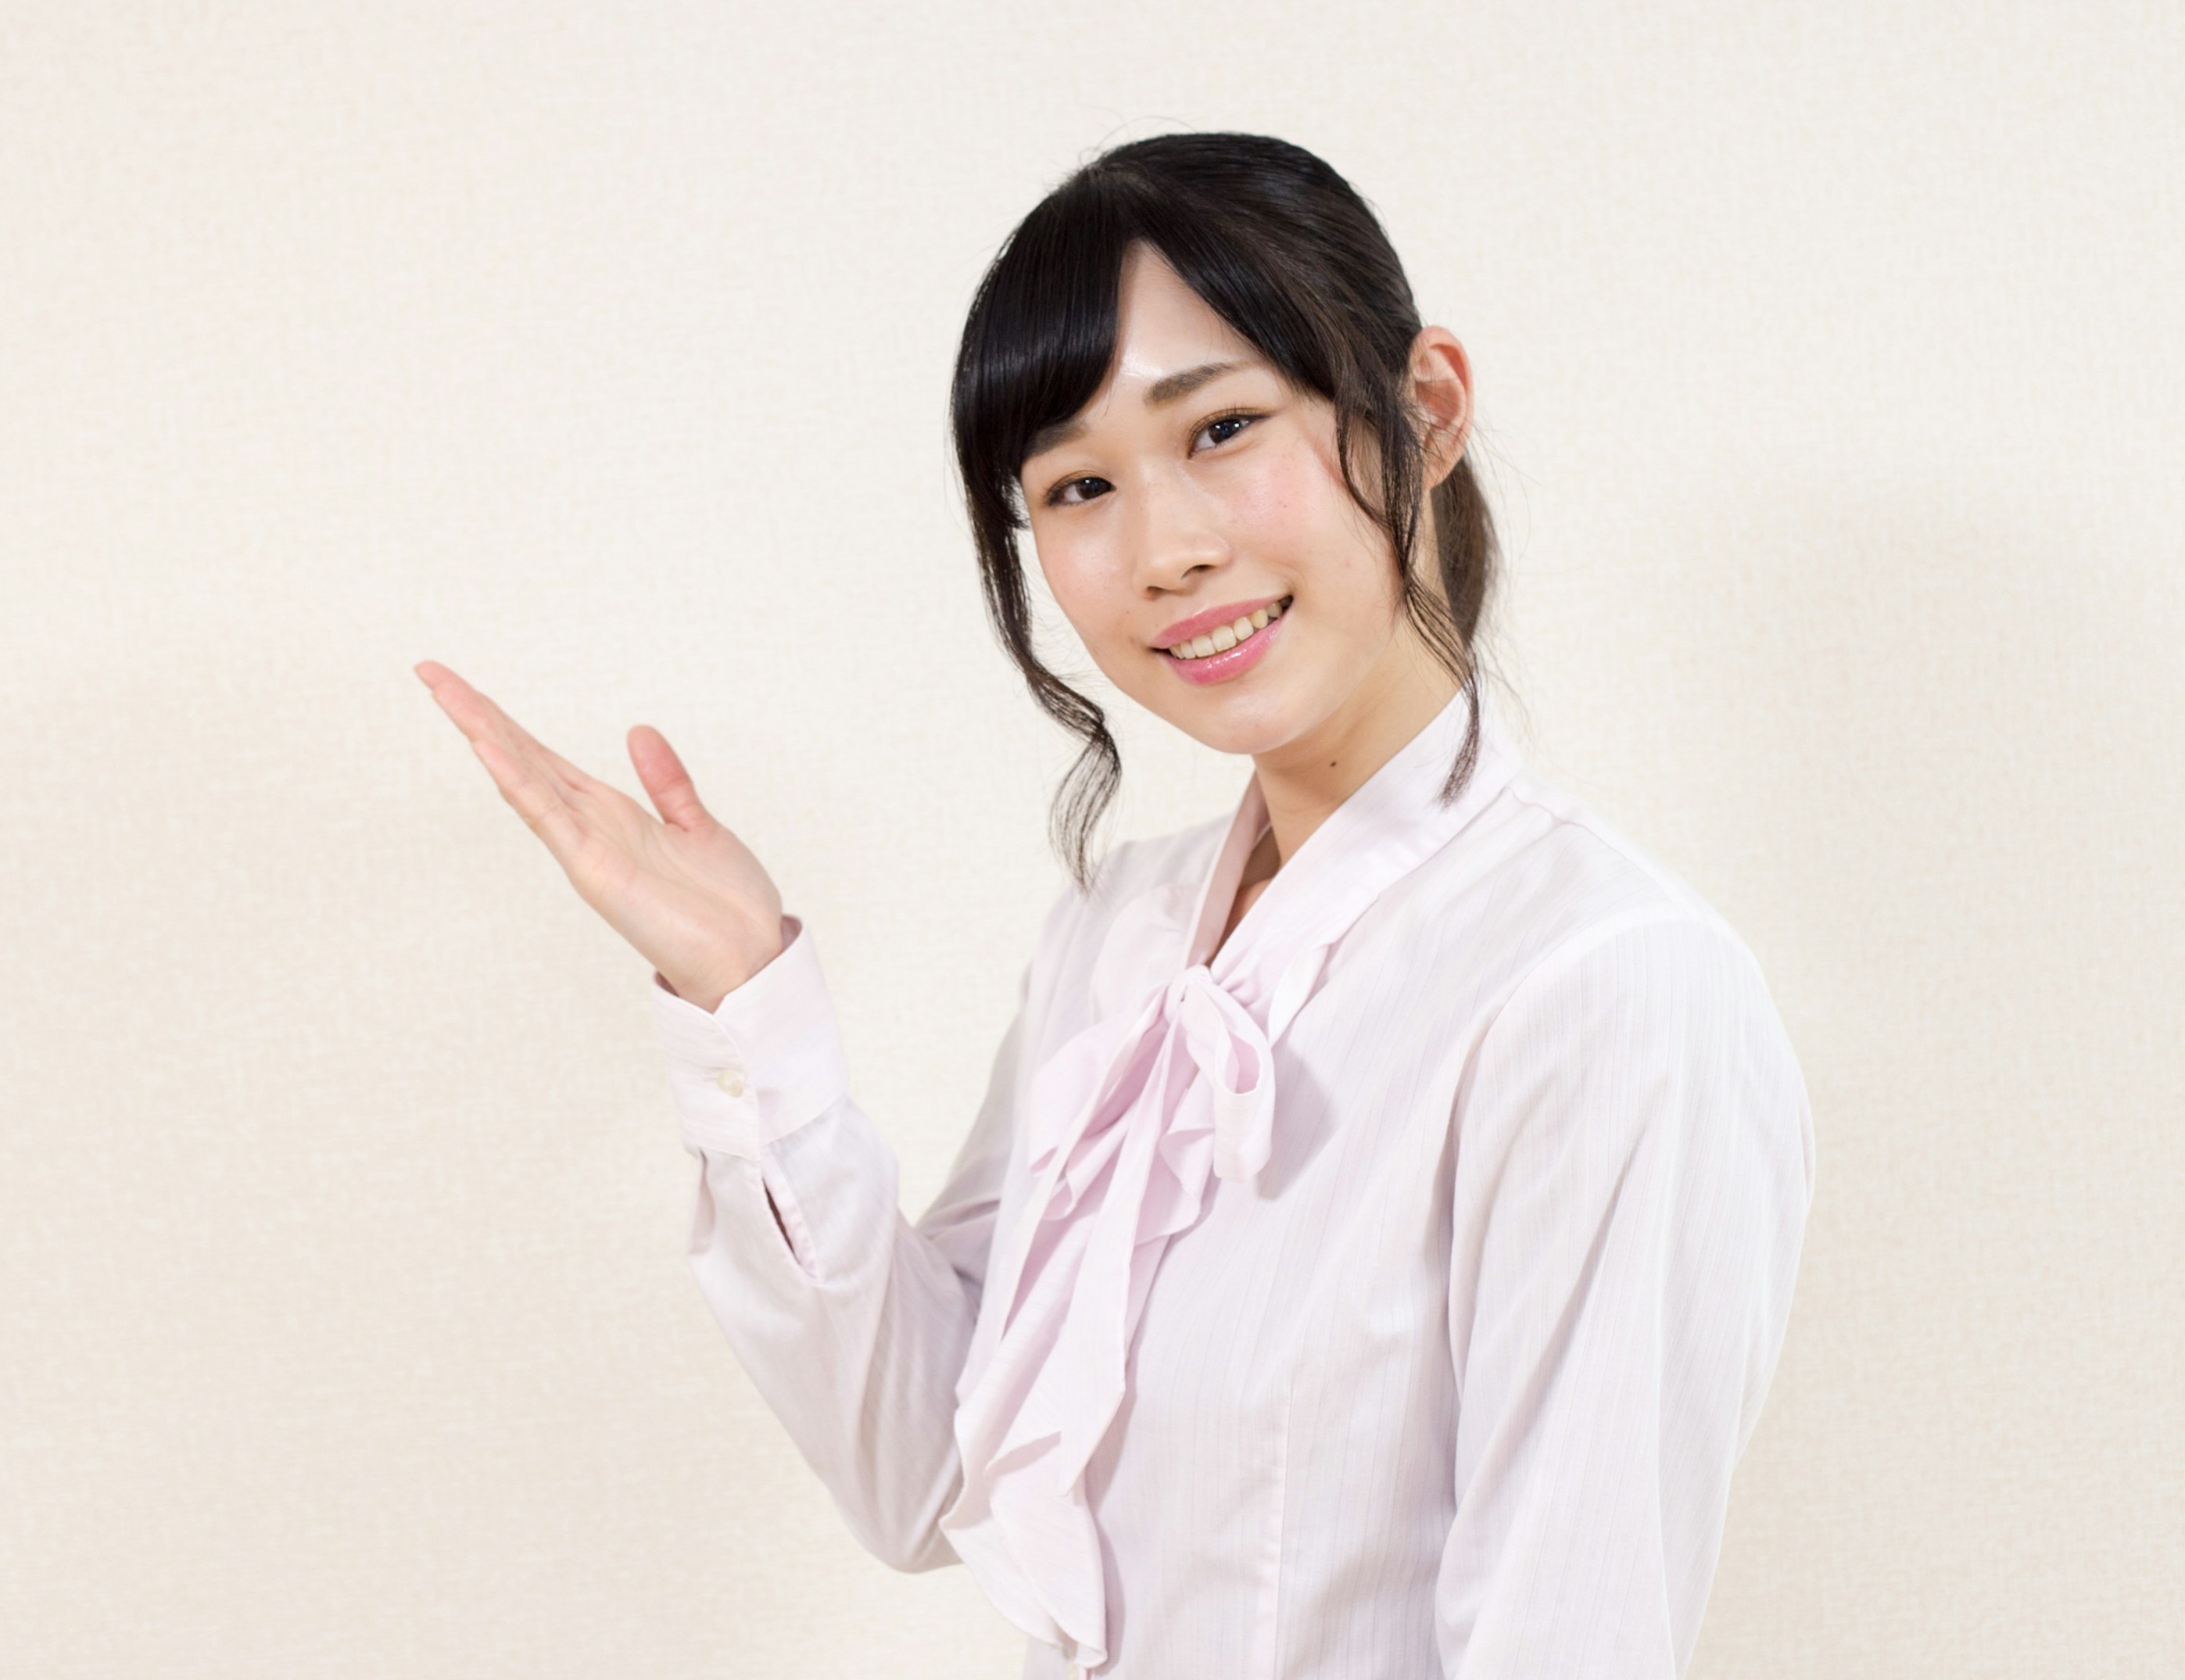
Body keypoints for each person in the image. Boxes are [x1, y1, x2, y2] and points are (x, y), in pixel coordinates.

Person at [417, 132, 1814, 1678]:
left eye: (1221, 427)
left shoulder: (1603, 990)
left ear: (1425, 409)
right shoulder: (1124, 936)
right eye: (1078, 484)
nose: (1164, 550)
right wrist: (747, 999)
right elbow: (922, 1468)